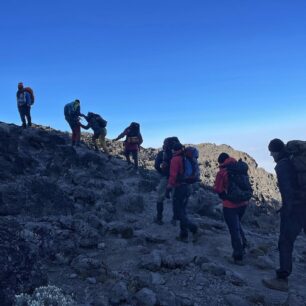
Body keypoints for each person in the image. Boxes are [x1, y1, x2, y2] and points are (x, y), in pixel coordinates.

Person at [262, 139, 306, 292]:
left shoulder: (282, 165)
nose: (270, 155)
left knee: (285, 242)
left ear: (275, 152)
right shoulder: (296, 160)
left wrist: (286, 212)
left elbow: (287, 192)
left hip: (296, 208)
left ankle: (282, 279)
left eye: (271, 152)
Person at [214, 153, 249, 265]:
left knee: (234, 230)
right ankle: (244, 245)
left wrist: (224, 197)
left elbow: (218, 189)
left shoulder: (222, 172)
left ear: (221, 162)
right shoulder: (240, 168)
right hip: (243, 203)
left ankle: (238, 256)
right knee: (237, 224)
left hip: (230, 206)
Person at [166, 142, 198, 242]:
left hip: (179, 188)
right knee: (182, 211)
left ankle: (194, 228)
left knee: (178, 213)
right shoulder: (185, 157)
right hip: (188, 186)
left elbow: (173, 176)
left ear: (173, 150)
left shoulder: (175, 159)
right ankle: (183, 235)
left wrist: (168, 188)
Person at [154, 137, 180, 225]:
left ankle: (159, 218)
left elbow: (156, 165)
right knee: (176, 199)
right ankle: (174, 219)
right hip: (178, 180)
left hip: (166, 178)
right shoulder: (179, 154)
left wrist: (162, 172)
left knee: (160, 198)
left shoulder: (163, 153)